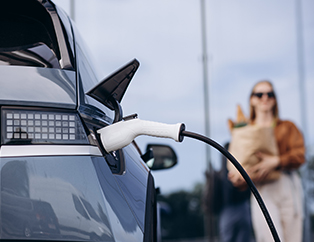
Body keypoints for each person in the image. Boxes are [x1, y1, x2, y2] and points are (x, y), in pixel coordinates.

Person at [228, 80, 305, 242]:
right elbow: (239, 167)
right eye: (259, 94)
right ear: (251, 99)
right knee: (269, 238)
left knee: (293, 237)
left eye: (270, 94)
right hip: (261, 188)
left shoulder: (288, 127)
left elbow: (300, 156)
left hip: (287, 184)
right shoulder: (243, 132)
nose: (265, 98)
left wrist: (276, 161)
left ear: (275, 99)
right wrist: (238, 178)